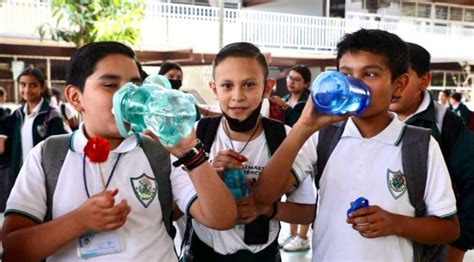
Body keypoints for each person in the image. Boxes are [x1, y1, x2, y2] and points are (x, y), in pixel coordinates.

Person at [1, 41, 237, 261]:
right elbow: (14, 250)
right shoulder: (49, 155)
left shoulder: (158, 152)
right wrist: (79, 221)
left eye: (135, 86)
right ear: (76, 97)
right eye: (111, 85)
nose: (129, 97)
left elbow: (222, 218)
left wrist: (190, 153)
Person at [255, 29, 459, 261]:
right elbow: (263, 196)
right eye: (346, 74)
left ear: (399, 85)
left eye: (370, 74)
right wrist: (304, 126)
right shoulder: (322, 136)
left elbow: (449, 228)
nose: (354, 84)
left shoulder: (420, 145)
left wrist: (396, 224)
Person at [177, 42, 315, 261]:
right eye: (227, 86)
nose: (238, 96)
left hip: (262, 255)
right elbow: (176, 206)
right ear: (214, 89)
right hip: (204, 253)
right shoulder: (194, 137)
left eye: (249, 85)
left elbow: (307, 211)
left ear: (267, 88)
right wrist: (208, 174)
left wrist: (267, 209)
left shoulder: (285, 138)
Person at [389, 42, 474, 262]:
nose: (393, 86)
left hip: (431, 247)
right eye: (387, 75)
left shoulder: (445, 123)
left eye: (403, 77)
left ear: (424, 80)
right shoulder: (365, 119)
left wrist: (459, 243)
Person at [0, 68, 66, 183]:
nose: (27, 89)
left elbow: (58, 150)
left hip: (44, 177)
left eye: (32, 85)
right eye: (23, 85)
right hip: (20, 175)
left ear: (42, 87)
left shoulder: (52, 115)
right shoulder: (17, 115)